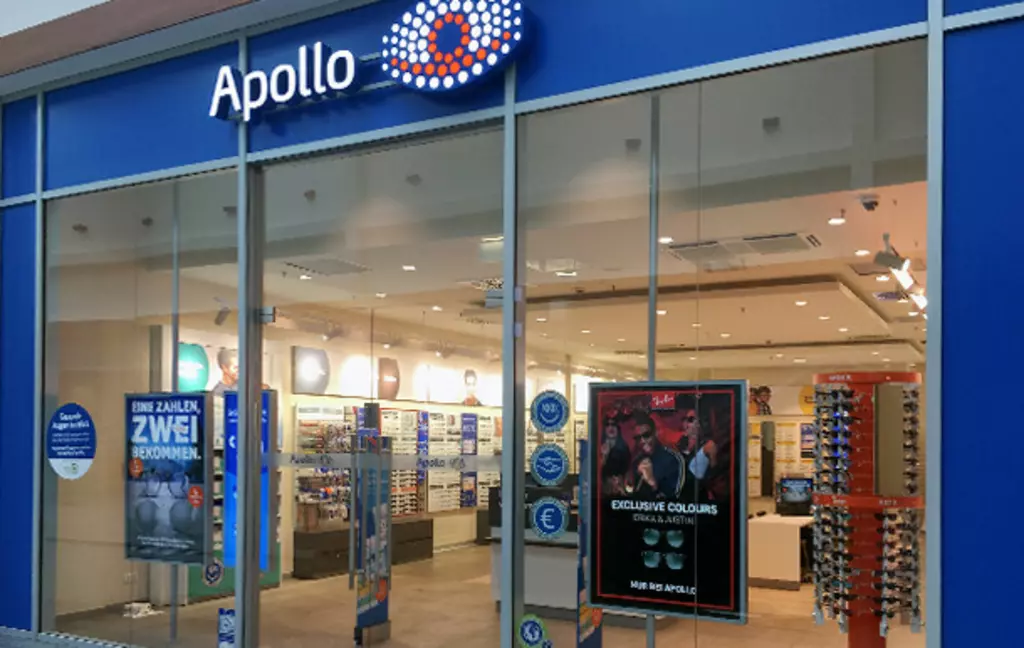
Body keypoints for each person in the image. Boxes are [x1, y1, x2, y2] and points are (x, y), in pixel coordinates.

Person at [628, 412, 684, 500]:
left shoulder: (672, 459)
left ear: (655, 433)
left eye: (646, 435)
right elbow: (632, 495)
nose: (642, 441)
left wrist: (652, 482)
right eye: (638, 438)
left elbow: (676, 498)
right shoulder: (636, 461)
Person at [600, 421, 630, 495]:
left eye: (614, 424)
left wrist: (620, 482)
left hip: (620, 486)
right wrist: (604, 456)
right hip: (603, 488)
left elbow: (627, 469)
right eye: (608, 425)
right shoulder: (597, 446)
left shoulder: (624, 448)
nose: (611, 427)